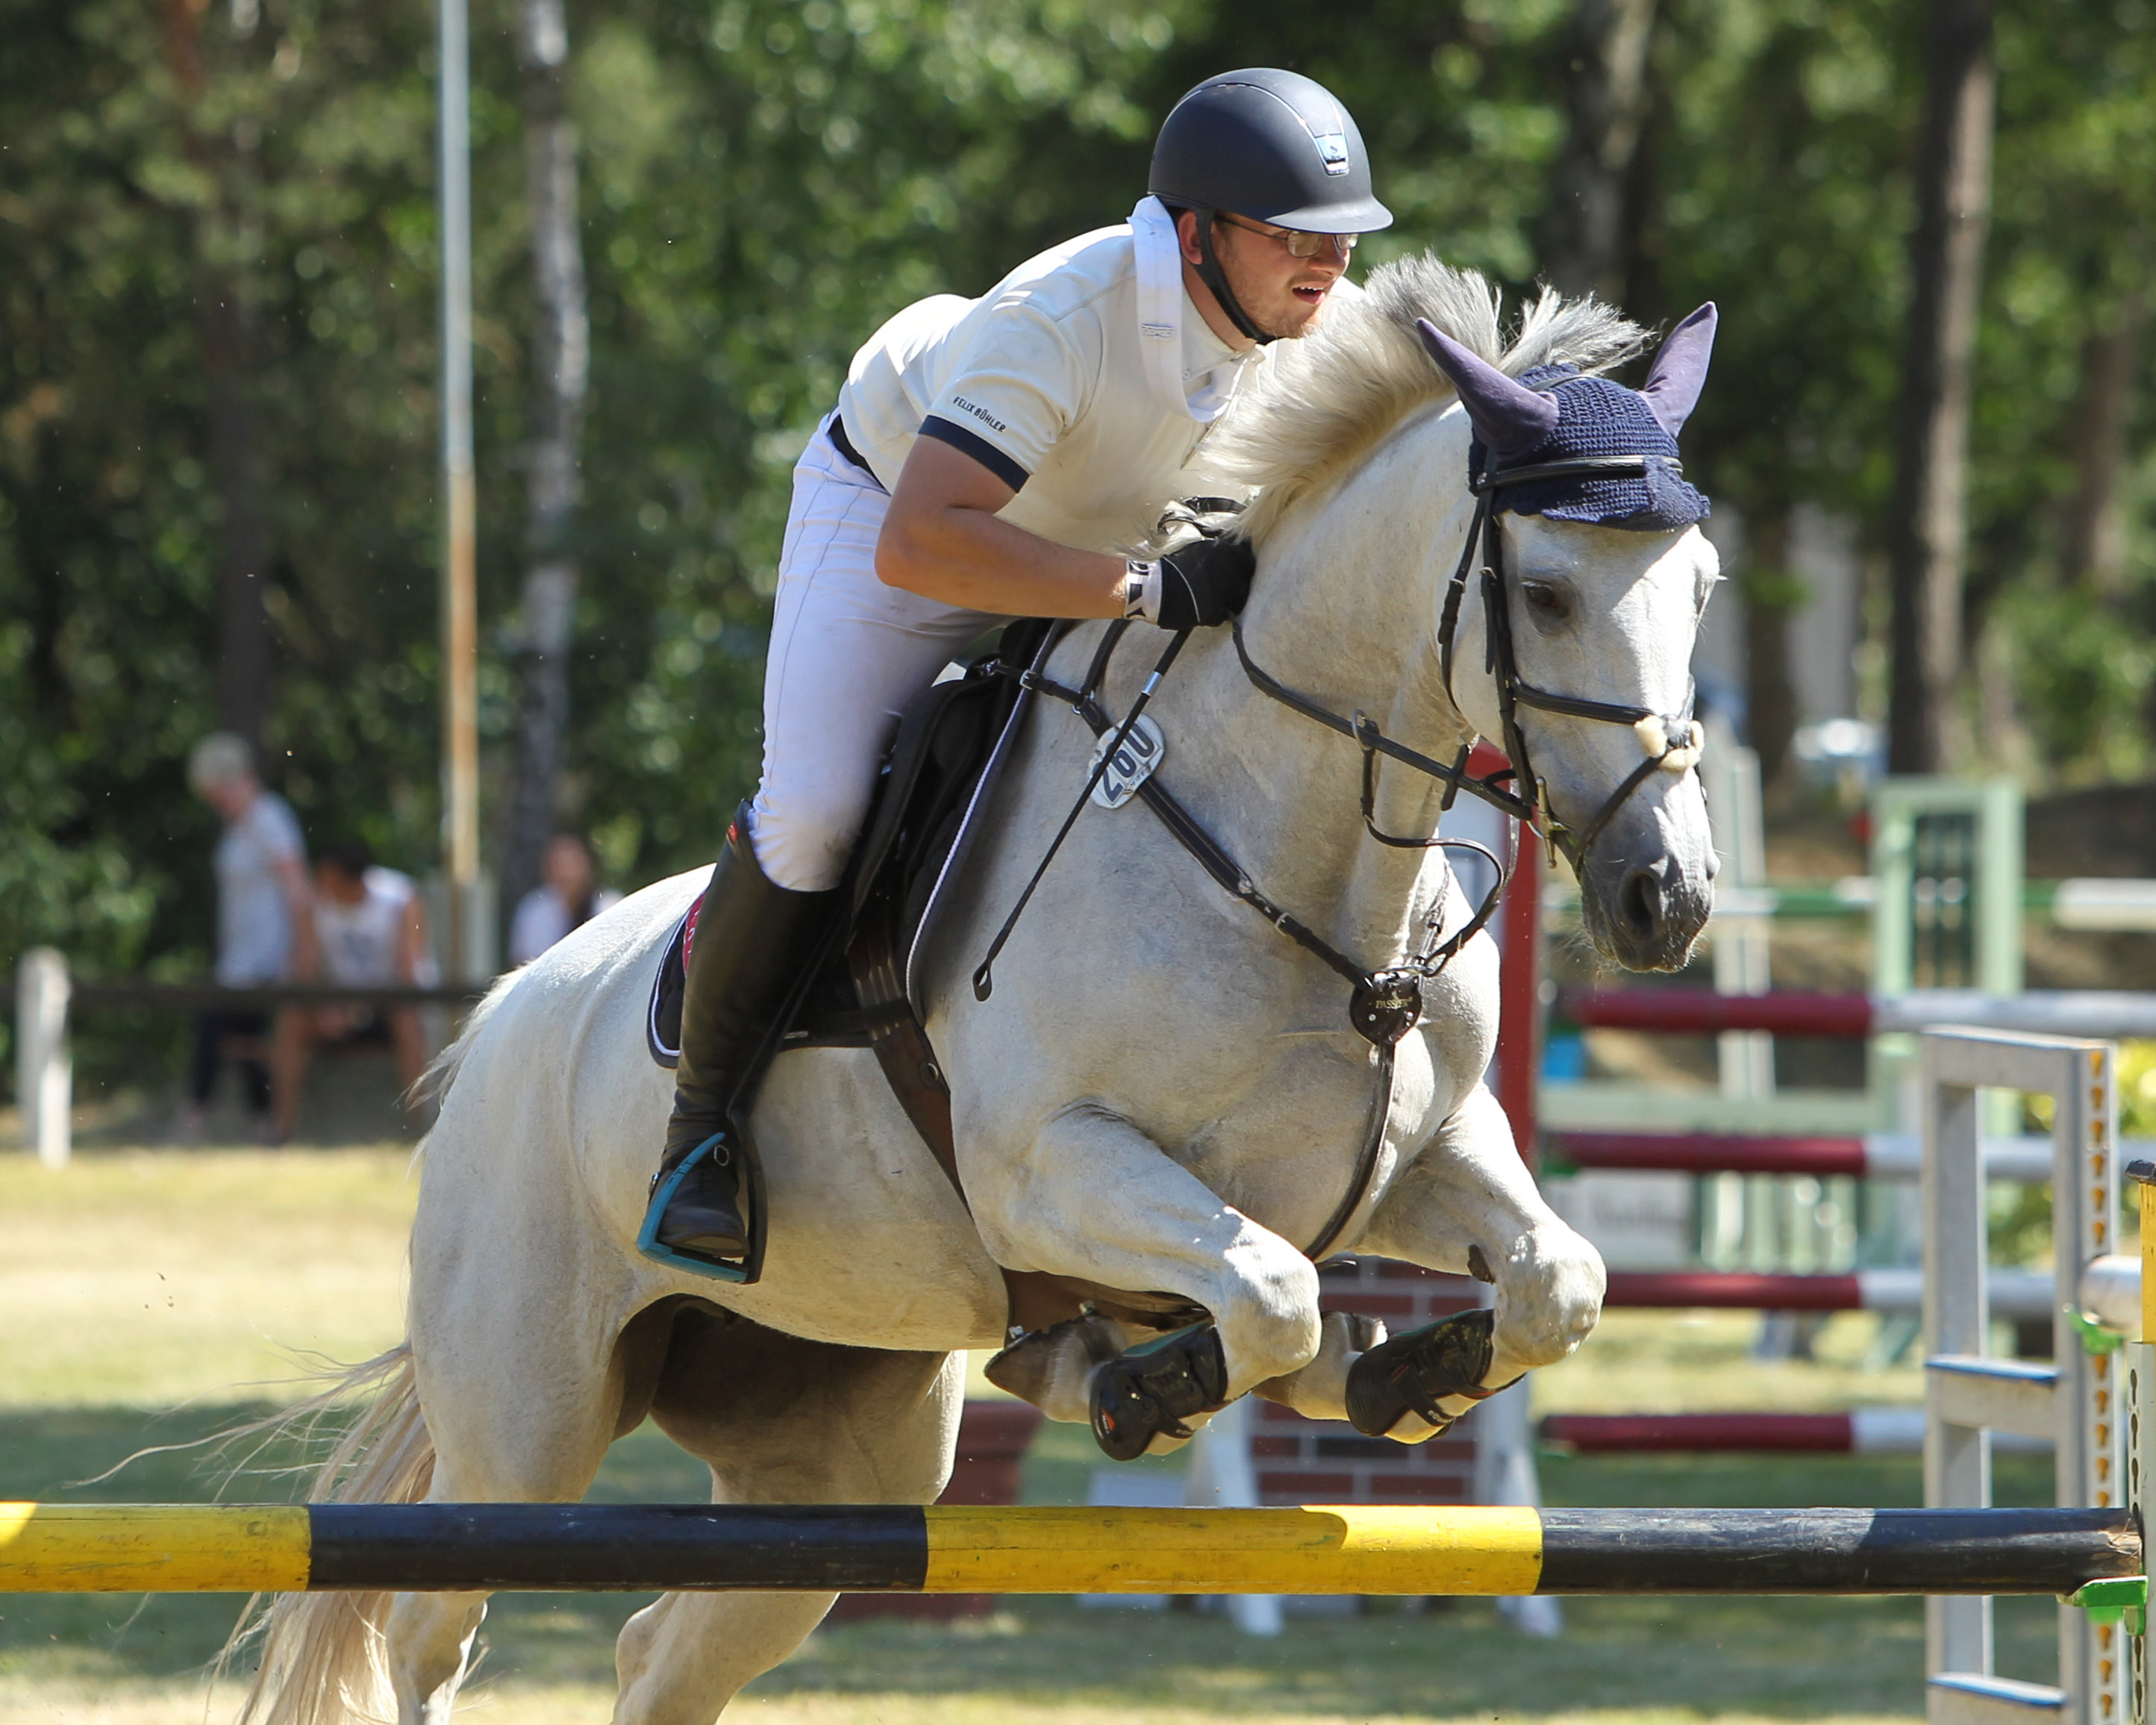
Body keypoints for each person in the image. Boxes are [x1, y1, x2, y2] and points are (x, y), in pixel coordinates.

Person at [643, 69, 1393, 1276]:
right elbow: (925, 538)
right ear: (1195, 235)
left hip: (1096, 537)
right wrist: (1143, 589)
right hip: (895, 529)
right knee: (817, 813)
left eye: (1340, 238)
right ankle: (696, 1130)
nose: (1322, 262)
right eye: (1290, 233)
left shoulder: (1312, 331)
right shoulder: (1061, 314)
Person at [181, 732, 312, 1144]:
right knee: (244, 1039)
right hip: (241, 958)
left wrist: (300, 953)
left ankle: (194, 1119)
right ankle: (262, 1127)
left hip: (268, 958)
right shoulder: (241, 826)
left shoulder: (269, 818)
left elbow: (297, 888)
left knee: (218, 1029)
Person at [272, 840, 436, 1140]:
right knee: (293, 1019)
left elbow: (408, 973)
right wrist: (323, 1008)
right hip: (338, 1007)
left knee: (406, 1018)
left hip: (391, 1008)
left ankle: (418, 1128)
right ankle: (282, 1129)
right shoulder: (314, 906)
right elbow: (306, 969)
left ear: (347, 879)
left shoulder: (399, 899)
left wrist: (358, 1010)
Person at [507, 832, 622, 967]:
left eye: (571, 864)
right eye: (558, 865)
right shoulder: (534, 910)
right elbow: (520, 962)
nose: (566, 873)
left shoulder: (610, 906)